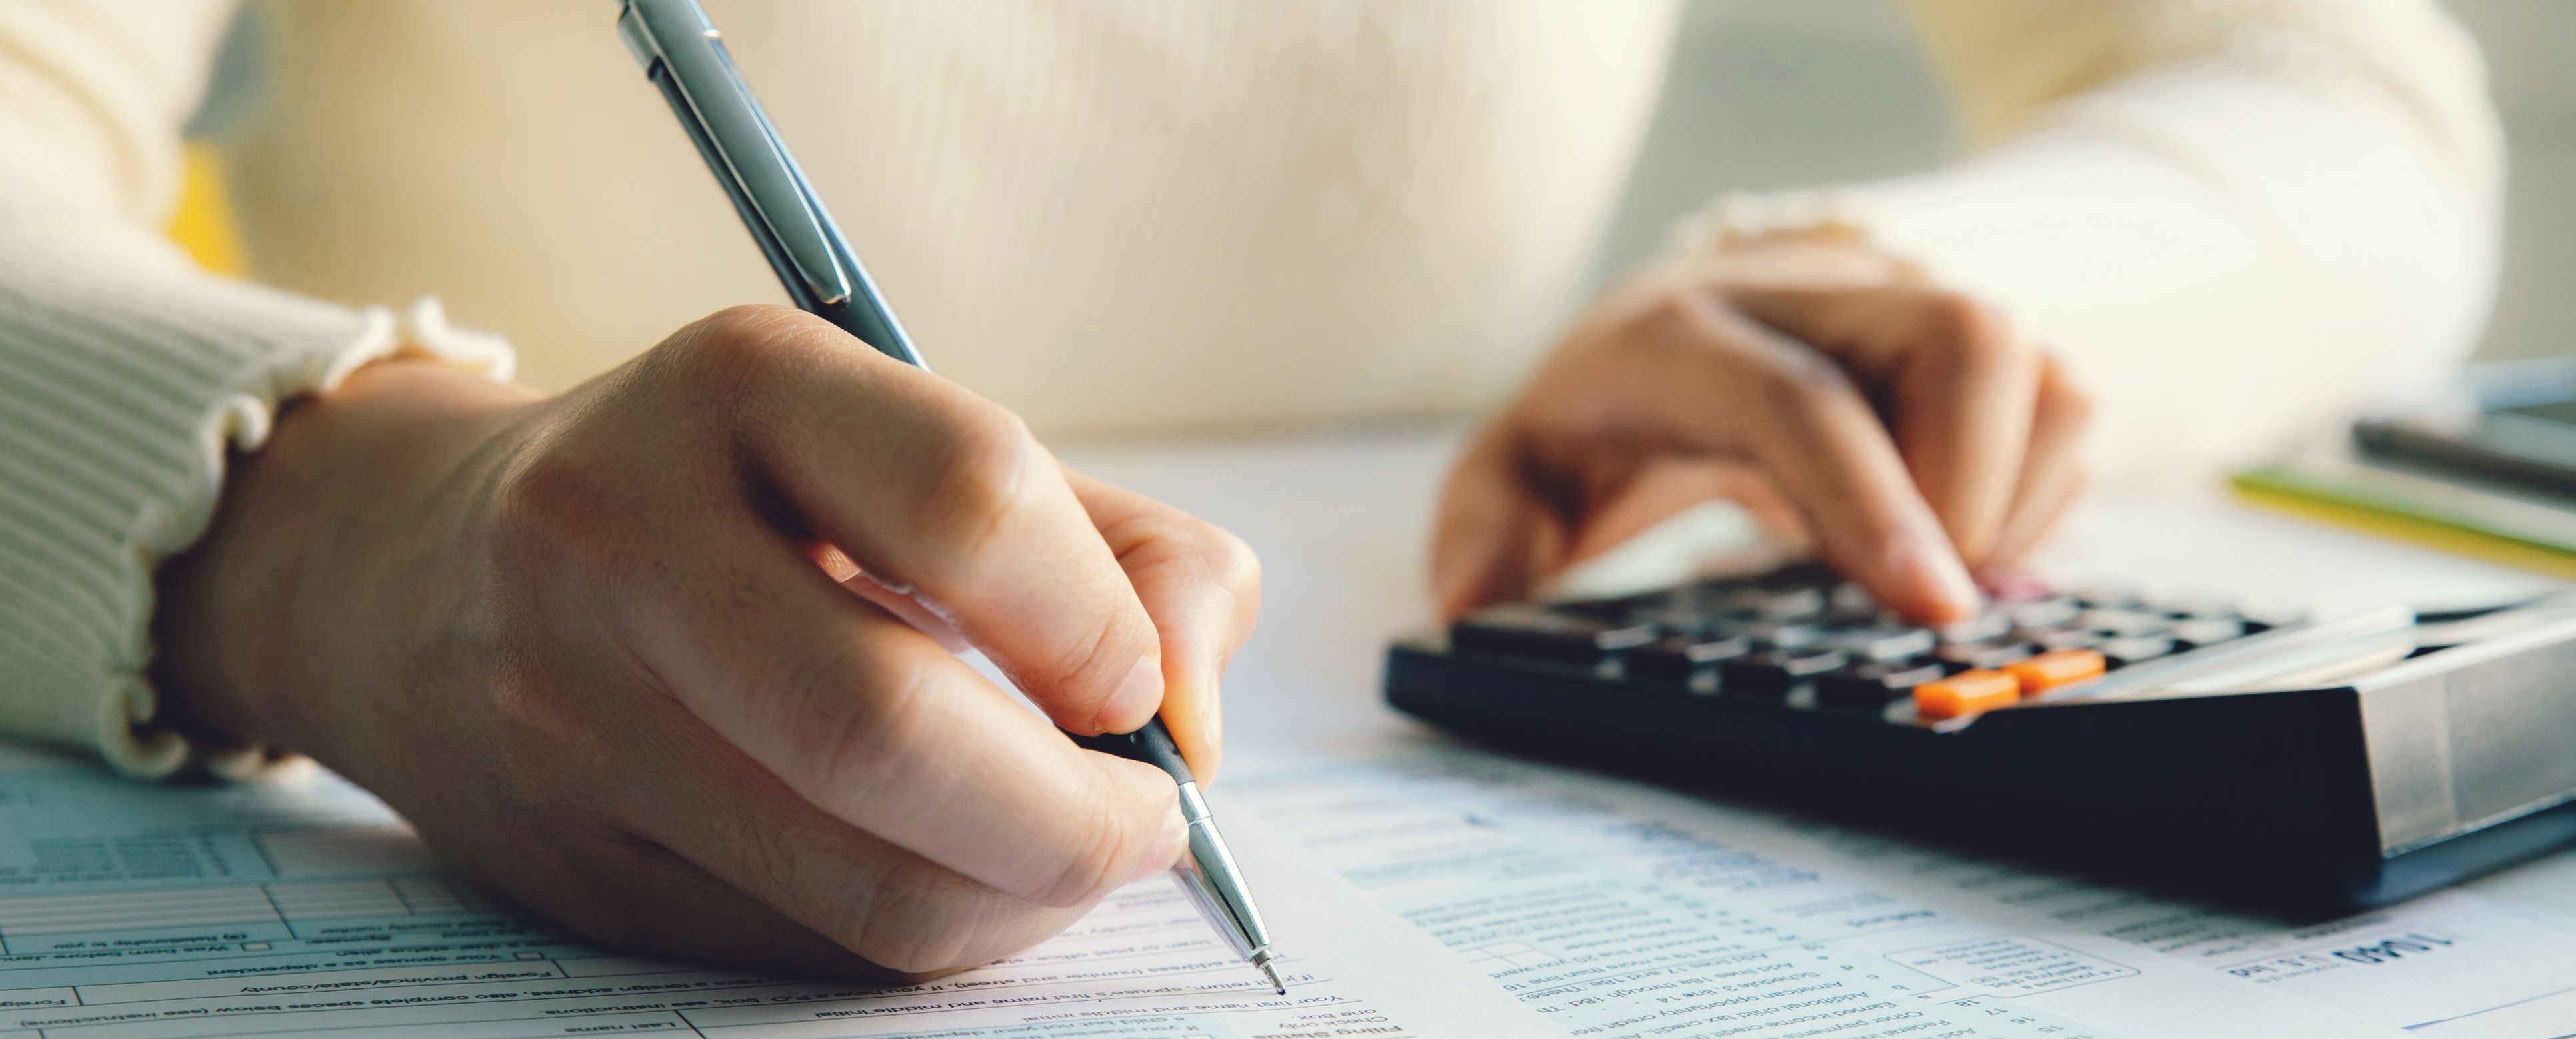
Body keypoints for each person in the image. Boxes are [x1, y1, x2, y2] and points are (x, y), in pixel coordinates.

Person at [0, 1, 2501, 978]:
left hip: (1443, 700)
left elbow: (2337, 92)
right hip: (421, 772)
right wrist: (349, 529)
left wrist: (1910, 286)